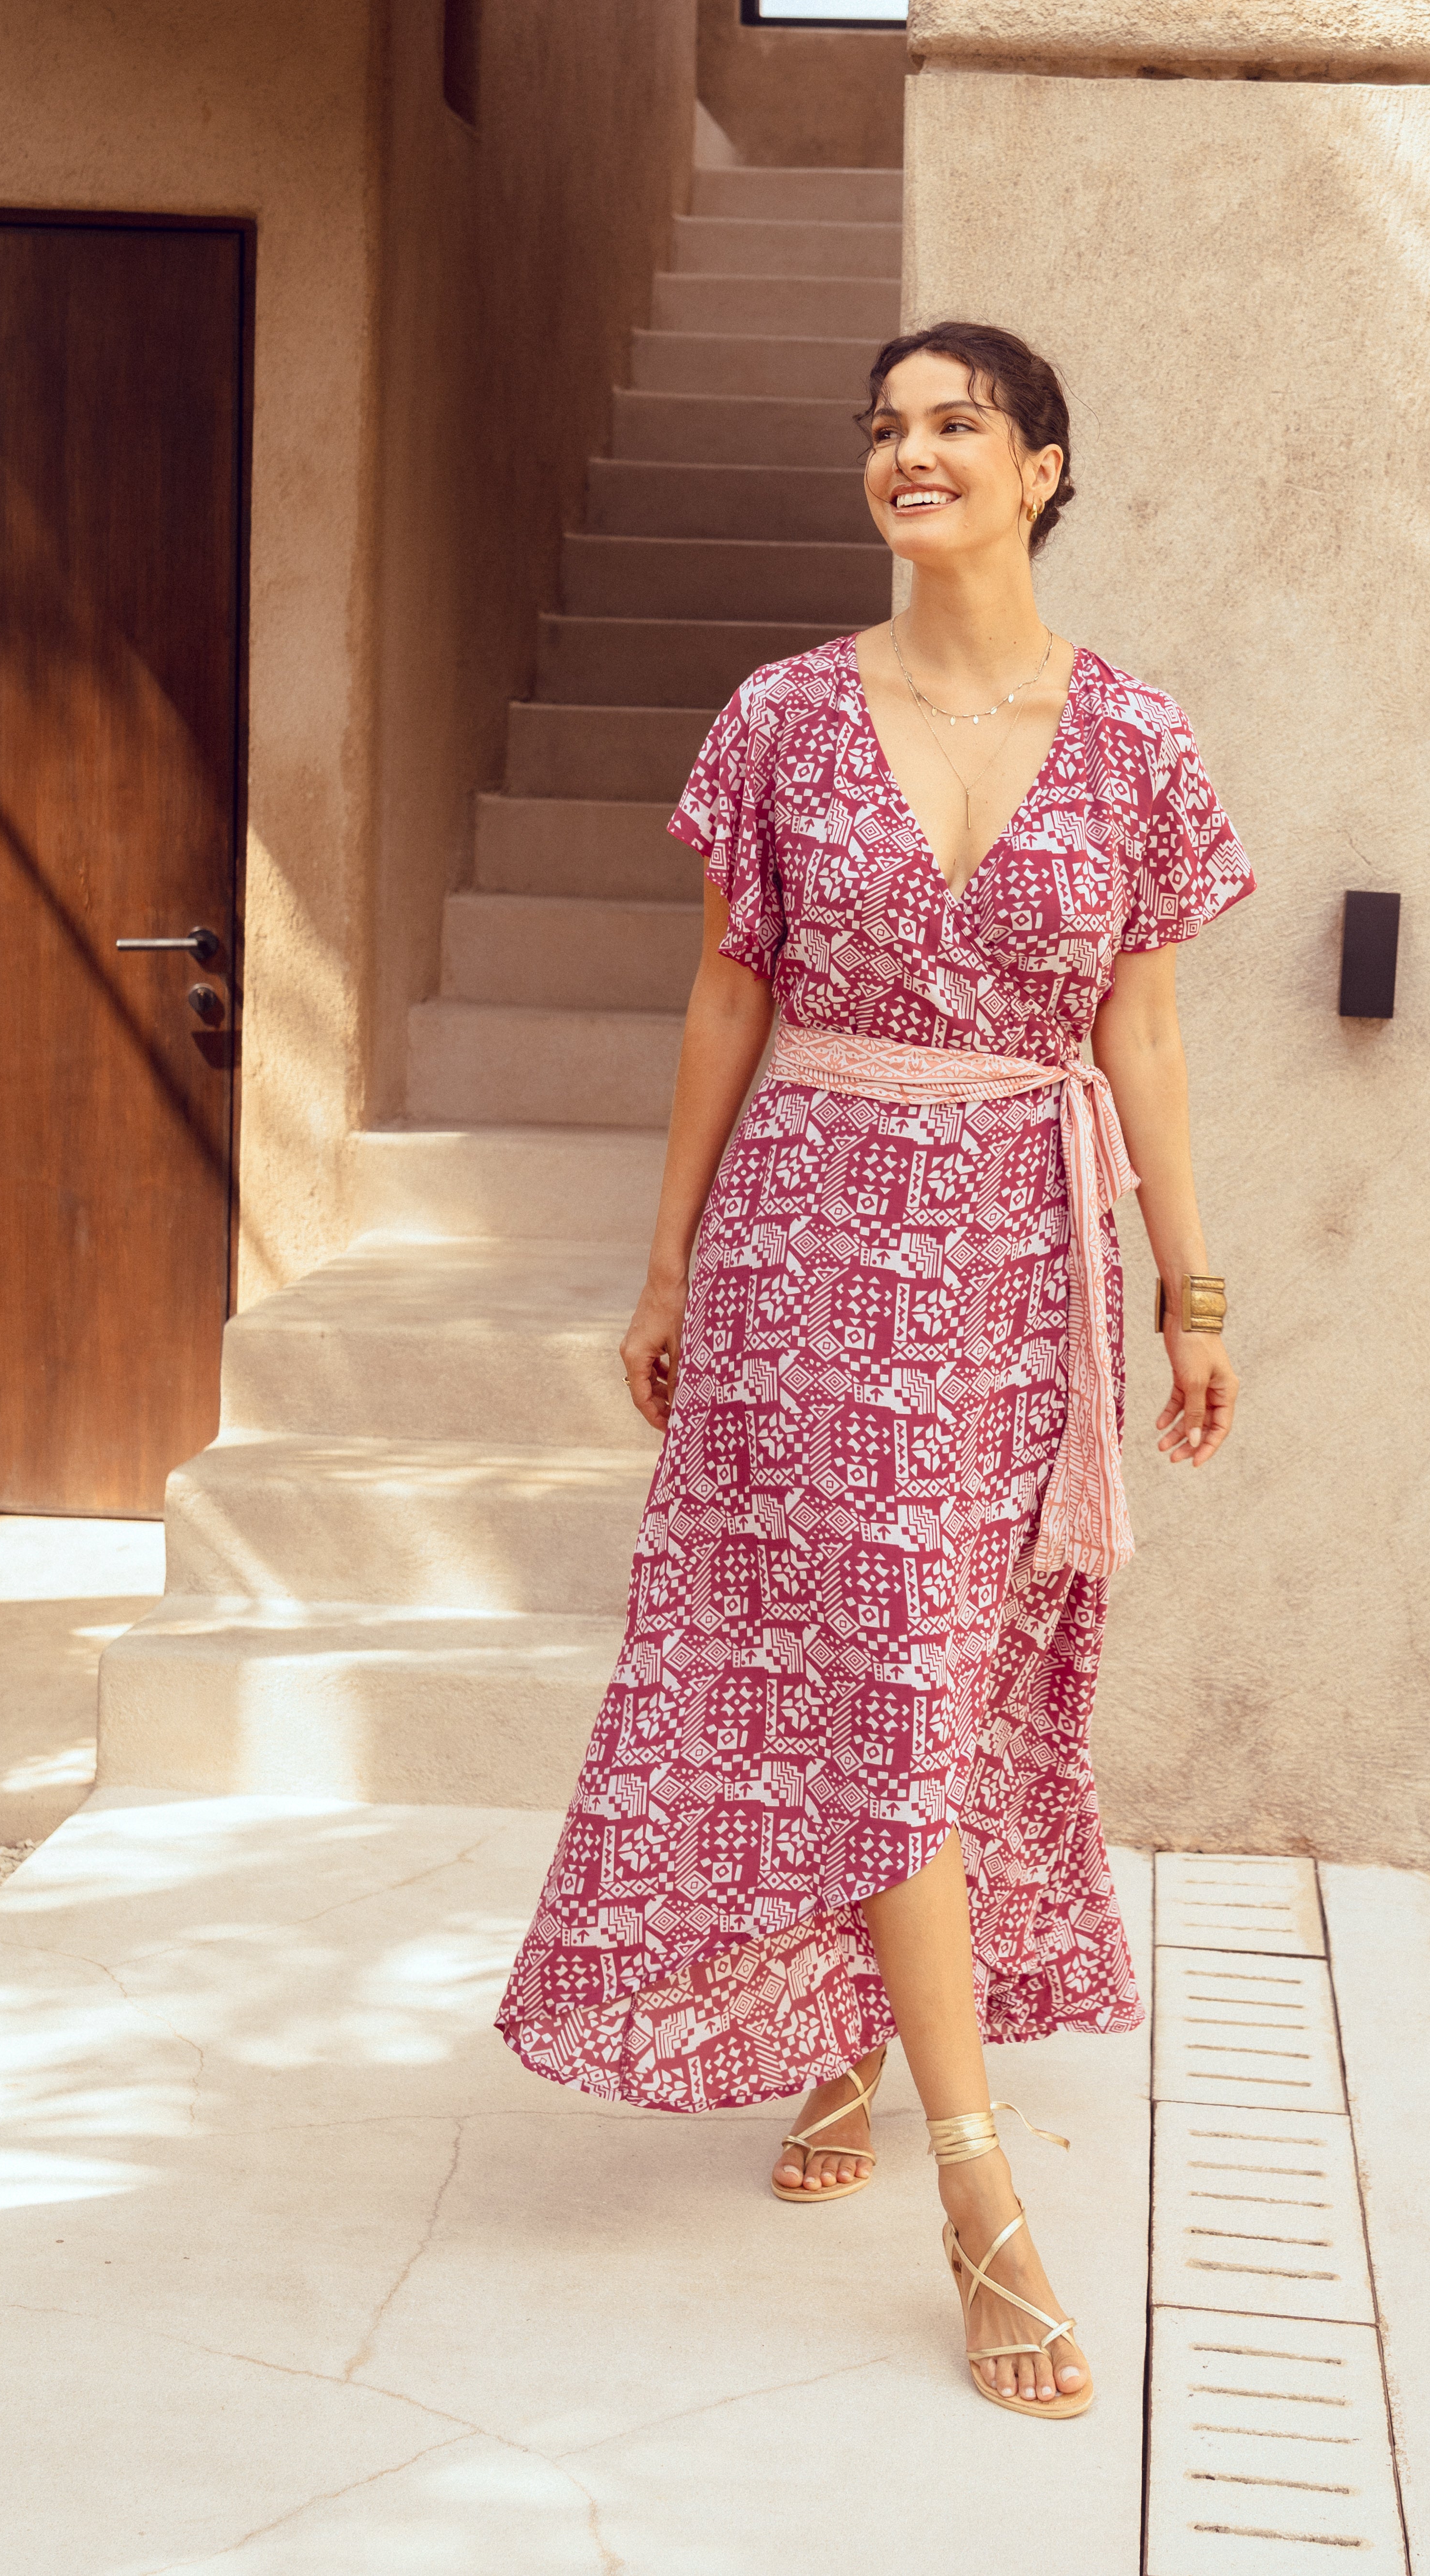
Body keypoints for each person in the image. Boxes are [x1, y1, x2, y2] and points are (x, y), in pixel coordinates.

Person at [498, 321, 1253, 2420]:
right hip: (805, 1246)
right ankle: (978, 2190)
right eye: (885, 433)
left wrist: (1195, 1294)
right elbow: (722, 1004)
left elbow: (1150, 1034)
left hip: (1019, 1255)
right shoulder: (778, 717)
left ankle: (853, 2033)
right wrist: (659, 1267)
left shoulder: (1137, 743)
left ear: (1042, 469)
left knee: (946, 1668)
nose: (909, 456)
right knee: (873, 1678)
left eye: (954, 427)